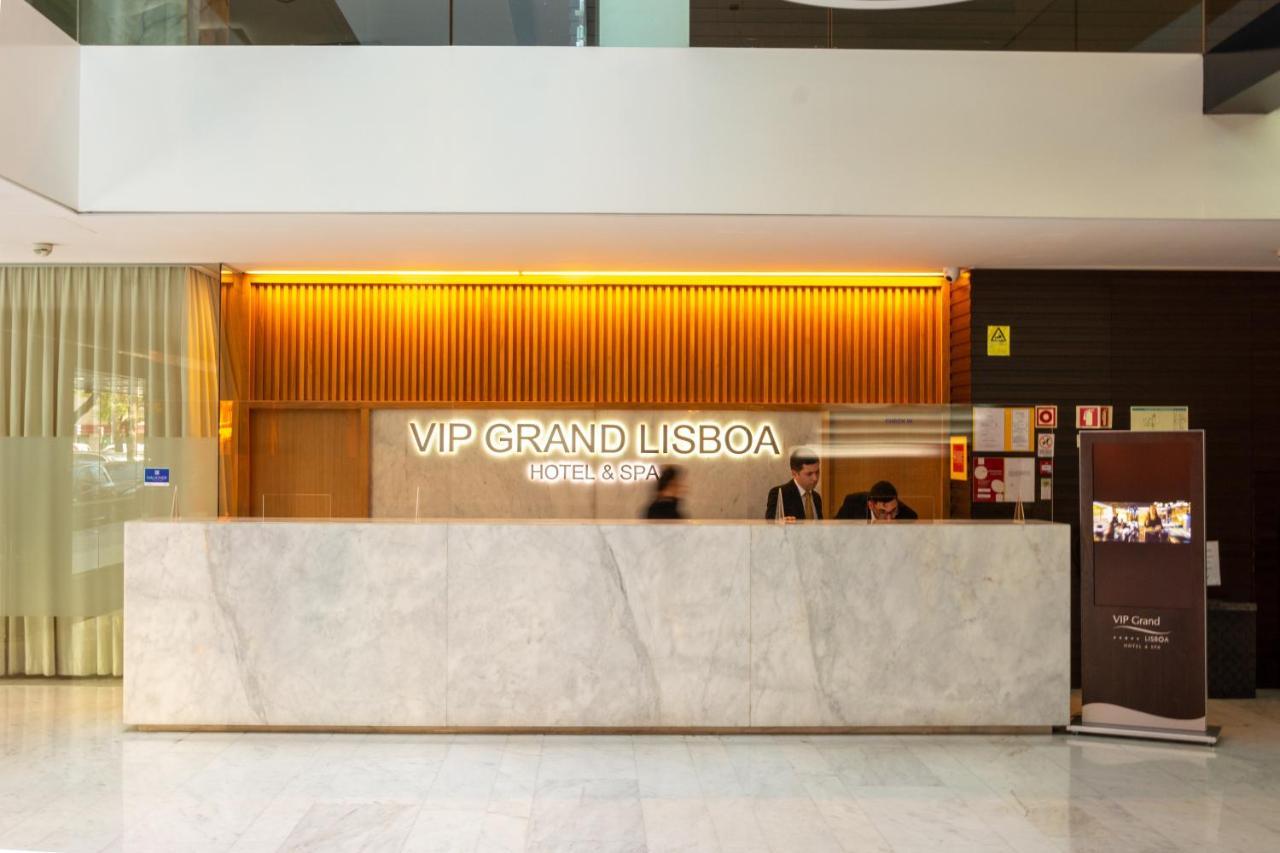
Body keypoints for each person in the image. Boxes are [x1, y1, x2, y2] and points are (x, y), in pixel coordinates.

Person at [764, 448, 823, 521]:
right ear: (794, 474)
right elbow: (771, 525)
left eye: (817, 472)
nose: (815, 478)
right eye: (809, 474)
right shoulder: (779, 494)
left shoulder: (816, 498)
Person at [836, 480, 918, 520]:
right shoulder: (852, 505)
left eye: (893, 511)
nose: (889, 519)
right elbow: (835, 532)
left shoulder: (908, 516)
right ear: (871, 505)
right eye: (883, 512)